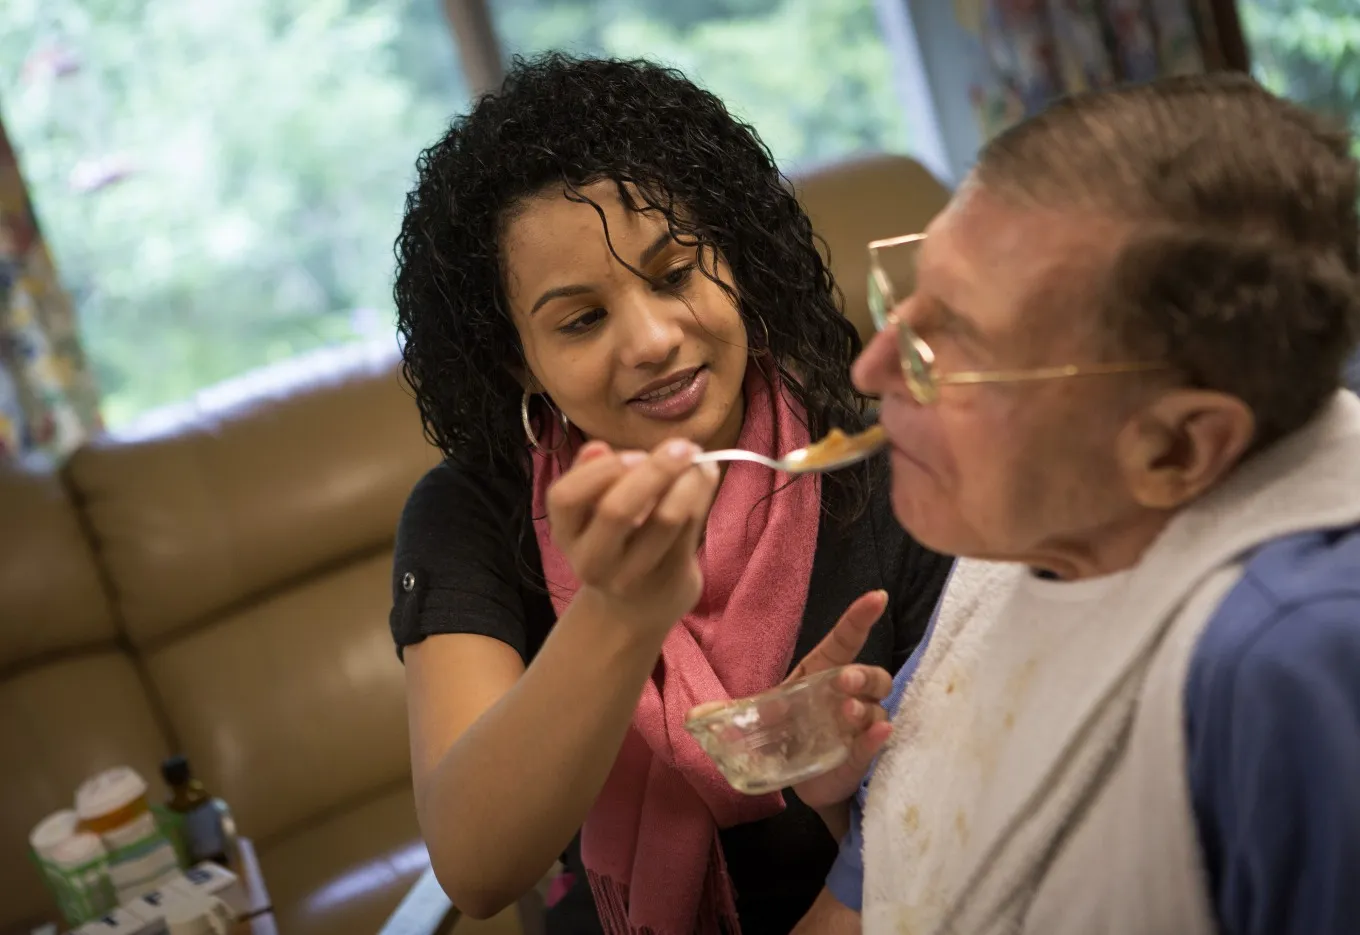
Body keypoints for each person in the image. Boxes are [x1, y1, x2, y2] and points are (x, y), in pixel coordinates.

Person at [388, 54, 951, 935]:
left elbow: (964, 814)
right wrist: (618, 609)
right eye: (580, 320)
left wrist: (830, 781)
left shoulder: (885, 453)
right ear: (515, 358)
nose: (652, 339)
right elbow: (475, 864)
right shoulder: (471, 512)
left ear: (734, 257)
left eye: (676, 273)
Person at [795, 72, 1360, 934]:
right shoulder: (1022, 539)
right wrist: (839, 795)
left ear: (1173, 448)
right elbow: (884, 883)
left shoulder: (1280, 665)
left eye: (950, 349)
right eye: (902, 305)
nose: (870, 374)